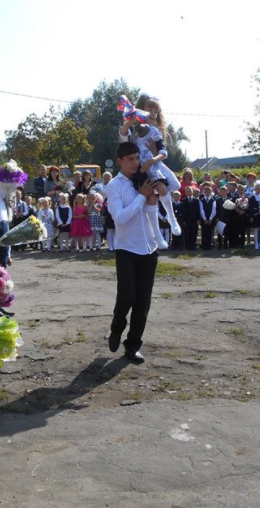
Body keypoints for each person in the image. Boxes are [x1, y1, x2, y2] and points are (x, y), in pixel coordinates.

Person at [106, 141, 160, 364]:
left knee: (143, 301)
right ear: (120, 160)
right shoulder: (114, 186)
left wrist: (151, 199)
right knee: (127, 295)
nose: (135, 163)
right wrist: (141, 196)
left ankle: (133, 345)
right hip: (127, 247)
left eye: (137, 158)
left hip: (148, 247)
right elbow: (119, 218)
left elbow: (149, 212)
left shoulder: (143, 179)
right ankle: (117, 327)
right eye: (130, 159)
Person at [118, 94, 182, 247]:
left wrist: (153, 159)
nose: (153, 113)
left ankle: (172, 220)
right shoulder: (132, 128)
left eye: (156, 111)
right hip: (139, 169)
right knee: (150, 198)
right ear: (140, 110)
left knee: (164, 188)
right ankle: (157, 236)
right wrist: (130, 121)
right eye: (150, 110)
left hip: (152, 166)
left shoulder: (154, 131)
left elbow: (163, 151)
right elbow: (122, 136)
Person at [248, 181, 260, 250]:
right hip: (255, 216)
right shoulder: (252, 198)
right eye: (257, 189)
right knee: (256, 230)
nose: (258, 190)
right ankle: (256, 244)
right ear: (255, 189)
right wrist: (251, 216)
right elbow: (250, 208)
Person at [199, 183, 217, 250]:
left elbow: (214, 210)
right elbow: (201, 210)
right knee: (204, 231)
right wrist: (204, 219)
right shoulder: (201, 200)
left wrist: (210, 218)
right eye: (206, 191)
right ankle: (204, 244)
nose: (207, 192)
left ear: (211, 192)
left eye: (208, 191)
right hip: (204, 219)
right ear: (204, 192)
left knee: (210, 231)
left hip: (210, 218)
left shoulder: (213, 200)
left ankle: (209, 244)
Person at [183, 186, 200, 251]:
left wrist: (198, 219)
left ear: (192, 191)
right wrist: (184, 220)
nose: (189, 192)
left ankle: (193, 245)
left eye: (190, 191)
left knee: (194, 232)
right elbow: (183, 211)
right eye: (187, 191)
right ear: (185, 192)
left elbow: (198, 210)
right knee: (187, 233)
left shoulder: (196, 200)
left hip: (194, 220)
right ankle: (188, 246)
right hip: (187, 220)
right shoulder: (184, 200)